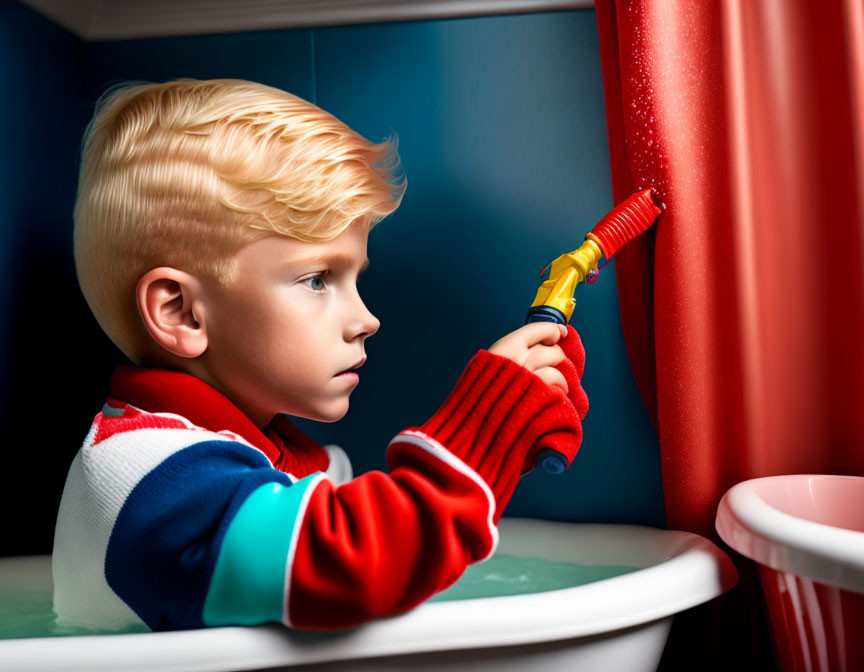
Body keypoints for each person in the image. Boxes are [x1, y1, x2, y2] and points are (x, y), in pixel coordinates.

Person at [52, 78, 589, 632]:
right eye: (316, 279)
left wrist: (501, 442)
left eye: (354, 278)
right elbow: (350, 564)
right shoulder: (140, 475)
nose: (366, 319)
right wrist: (479, 433)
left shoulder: (253, 453)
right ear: (182, 313)